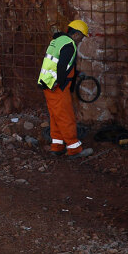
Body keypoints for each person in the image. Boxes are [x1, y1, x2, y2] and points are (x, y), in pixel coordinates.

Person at [37, 19, 94, 158]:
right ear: (76, 34)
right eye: (81, 37)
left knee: (55, 116)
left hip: (48, 84)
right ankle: (74, 149)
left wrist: (76, 74)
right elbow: (62, 66)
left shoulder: (58, 41)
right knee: (66, 117)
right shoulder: (69, 45)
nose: (81, 40)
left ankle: (57, 146)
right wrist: (62, 84)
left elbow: (63, 64)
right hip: (57, 87)